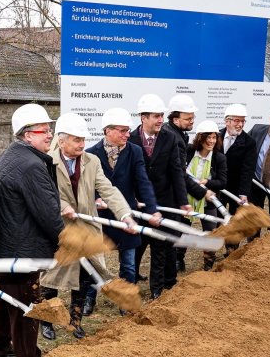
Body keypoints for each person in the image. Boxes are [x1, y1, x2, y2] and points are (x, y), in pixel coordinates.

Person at [40, 113, 137, 339]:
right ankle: (47, 321)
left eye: (83, 139)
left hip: (86, 229)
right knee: (50, 277)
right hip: (59, 229)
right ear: (61, 140)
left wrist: (125, 215)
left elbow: (108, 189)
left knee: (84, 276)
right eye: (76, 140)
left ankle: (75, 320)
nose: (82, 144)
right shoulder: (47, 162)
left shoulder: (92, 161)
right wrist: (62, 205)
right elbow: (45, 193)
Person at [0, 104, 64, 357]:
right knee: (26, 308)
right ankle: (26, 353)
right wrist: (66, 240)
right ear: (27, 134)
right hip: (22, 252)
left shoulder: (8, 156)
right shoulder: (31, 166)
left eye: (50, 129)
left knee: (6, 299)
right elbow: (49, 215)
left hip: (6, 249)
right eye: (45, 130)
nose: (50, 134)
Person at [83, 108, 161, 316]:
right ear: (108, 131)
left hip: (126, 215)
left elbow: (143, 182)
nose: (128, 134)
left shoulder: (134, 151)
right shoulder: (91, 154)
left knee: (128, 263)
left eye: (128, 131)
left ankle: (126, 301)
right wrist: (94, 200)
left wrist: (152, 209)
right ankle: (89, 298)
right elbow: (84, 187)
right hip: (100, 219)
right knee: (96, 263)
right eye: (123, 130)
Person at [129, 94, 190, 299]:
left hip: (164, 201)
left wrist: (182, 201)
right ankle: (131, 283)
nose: (160, 120)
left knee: (161, 247)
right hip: (138, 203)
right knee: (136, 246)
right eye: (156, 116)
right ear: (143, 118)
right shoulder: (131, 139)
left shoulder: (169, 138)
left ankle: (157, 289)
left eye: (162, 115)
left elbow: (177, 171)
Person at [164, 94, 214, 272]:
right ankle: (168, 278)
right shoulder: (172, 138)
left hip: (176, 191)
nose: (192, 121)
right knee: (170, 238)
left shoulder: (178, 134)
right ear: (175, 119)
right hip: (170, 193)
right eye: (188, 118)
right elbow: (178, 172)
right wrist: (202, 191)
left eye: (193, 117)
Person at [186, 120, 227, 270]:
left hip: (209, 199)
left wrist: (206, 182)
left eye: (214, 137)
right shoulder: (188, 152)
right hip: (187, 198)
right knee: (183, 229)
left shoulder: (219, 158)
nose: (211, 141)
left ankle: (208, 264)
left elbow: (222, 182)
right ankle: (179, 260)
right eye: (207, 137)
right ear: (199, 138)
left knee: (210, 232)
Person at [219, 104, 257, 213]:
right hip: (217, 186)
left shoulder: (249, 142)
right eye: (236, 121)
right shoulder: (216, 136)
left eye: (243, 121)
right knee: (216, 219)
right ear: (227, 121)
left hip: (236, 189)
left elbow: (248, 169)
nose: (240, 124)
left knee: (234, 219)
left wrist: (243, 193)